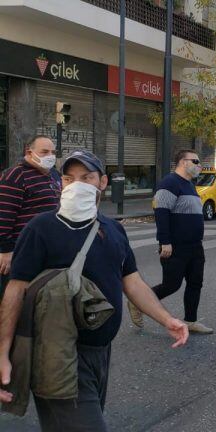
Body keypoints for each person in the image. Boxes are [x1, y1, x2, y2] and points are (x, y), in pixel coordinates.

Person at [0, 150, 188, 431]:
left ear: (102, 182)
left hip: (100, 353)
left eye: (86, 177)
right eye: (68, 178)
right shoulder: (41, 228)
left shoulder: (113, 229)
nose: (76, 185)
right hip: (58, 353)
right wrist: (2, 353)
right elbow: (15, 292)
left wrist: (166, 319)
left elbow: (131, 281)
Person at [127, 150, 212, 334]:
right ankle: (138, 302)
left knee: (195, 283)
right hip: (176, 246)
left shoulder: (189, 185)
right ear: (182, 162)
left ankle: (191, 321)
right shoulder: (170, 183)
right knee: (171, 284)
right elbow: (161, 212)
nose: (199, 165)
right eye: (195, 161)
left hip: (195, 246)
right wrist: (165, 241)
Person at [0, 135, 61, 299]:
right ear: (29, 152)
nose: (50, 156)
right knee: (14, 299)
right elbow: (4, 213)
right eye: (44, 152)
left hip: (46, 249)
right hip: (21, 251)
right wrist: (5, 251)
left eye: (53, 152)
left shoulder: (53, 175)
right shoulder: (16, 175)